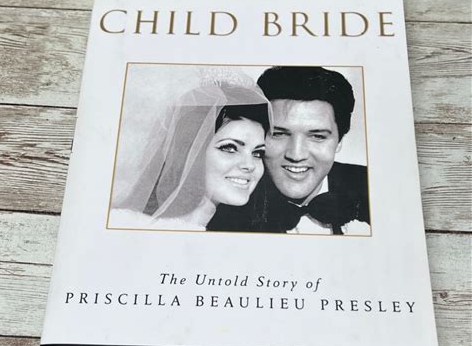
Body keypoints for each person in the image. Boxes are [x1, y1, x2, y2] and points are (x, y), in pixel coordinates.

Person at [208, 66, 370, 235]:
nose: (296, 155)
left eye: (317, 136)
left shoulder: (373, 187)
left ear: (339, 141)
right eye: (279, 134)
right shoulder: (224, 211)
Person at [109, 81, 271, 231]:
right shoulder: (126, 224)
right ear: (190, 151)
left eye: (257, 153)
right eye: (229, 148)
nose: (250, 165)